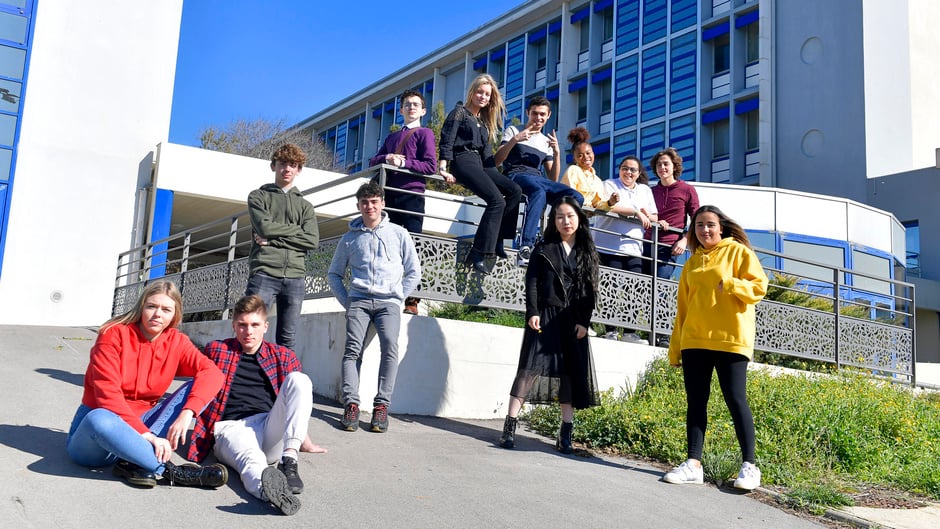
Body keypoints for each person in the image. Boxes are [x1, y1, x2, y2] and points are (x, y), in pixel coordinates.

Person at [66, 280, 228, 489]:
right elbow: (107, 396)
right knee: (99, 418)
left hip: (146, 424)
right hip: (100, 437)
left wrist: (188, 413)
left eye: (166, 309)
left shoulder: (176, 341)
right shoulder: (113, 334)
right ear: (141, 307)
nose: (158, 314)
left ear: (175, 314)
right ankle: (171, 471)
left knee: (196, 388)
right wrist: (147, 435)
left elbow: (212, 373)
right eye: (152, 306)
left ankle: (133, 461)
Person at [662, 205, 768, 491]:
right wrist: (676, 349)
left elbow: (760, 287)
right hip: (695, 340)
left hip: (731, 338)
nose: (705, 230)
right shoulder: (691, 263)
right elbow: (682, 309)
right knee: (696, 402)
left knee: (736, 400)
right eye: (699, 225)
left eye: (710, 224)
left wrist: (732, 284)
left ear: (721, 227)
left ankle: (749, 465)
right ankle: (693, 464)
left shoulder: (739, 252)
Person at [187, 295, 314, 516]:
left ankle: (290, 460)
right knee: (252, 460)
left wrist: (303, 440)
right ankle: (272, 493)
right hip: (232, 428)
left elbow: (295, 401)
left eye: (255, 325)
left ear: (265, 326)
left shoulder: (282, 356)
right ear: (234, 325)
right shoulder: (218, 350)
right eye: (243, 325)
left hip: (268, 426)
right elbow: (196, 385)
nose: (249, 331)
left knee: (300, 379)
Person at [498, 196, 599, 454]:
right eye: (560, 217)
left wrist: (584, 322)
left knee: (569, 375)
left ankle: (565, 434)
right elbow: (531, 282)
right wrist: (532, 311)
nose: (566, 221)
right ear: (554, 221)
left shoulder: (587, 250)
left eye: (570, 216)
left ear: (579, 218)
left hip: (573, 321)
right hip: (545, 316)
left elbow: (590, 288)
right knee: (529, 370)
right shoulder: (544, 248)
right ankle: (509, 427)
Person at [328, 182, 421, 433]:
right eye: (364, 203)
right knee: (352, 351)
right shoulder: (349, 239)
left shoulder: (399, 234)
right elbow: (334, 274)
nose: (369, 206)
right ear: (358, 206)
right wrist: (348, 301)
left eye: (373, 201)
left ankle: (381, 407)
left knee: (390, 347)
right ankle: (351, 405)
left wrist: (398, 296)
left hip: (388, 302)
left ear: (382, 203)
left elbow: (414, 270)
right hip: (358, 301)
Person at [438, 73, 523, 274]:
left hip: (482, 164)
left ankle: (499, 240)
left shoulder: (484, 123)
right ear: (472, 92)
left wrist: (498, 178)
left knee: (515, 190)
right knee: (497, 201)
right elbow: (447, 140)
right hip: (462, 161)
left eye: (487, 94)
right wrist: (443, 167)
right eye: (480, 92)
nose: (483, 97)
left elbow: (488, 159)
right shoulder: (459, 113)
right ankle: (479, 252)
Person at [369, 89, 438, 315]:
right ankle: (386, 295)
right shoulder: (391, 138)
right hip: (389, 196)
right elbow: (373, 160)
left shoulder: (425, 133)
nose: (411, 108)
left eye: (415, 104)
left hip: (412, 196)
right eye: (407, 104)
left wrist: (406, 163)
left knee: (413, 248)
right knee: (388, 249)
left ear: (423, 110)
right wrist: (387, 158)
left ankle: (412, 301)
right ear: (401, 110)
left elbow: (430, 166)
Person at [246, 143, 320, 350]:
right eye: (282, 164)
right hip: (264, 272)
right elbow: (264, 228)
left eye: (292, 165)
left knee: (288, 340)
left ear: (298, 170)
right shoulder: (258, 196)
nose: (287, 169)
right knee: (250, 331)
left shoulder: (305, 206)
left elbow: (312, 240)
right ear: (273, 166)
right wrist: (295, 231)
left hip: (295, 277)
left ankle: (284, 382)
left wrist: (272, 240)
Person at [494, 95, 582, 267]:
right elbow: (497, 161)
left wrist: (556, 153)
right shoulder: (513, 130)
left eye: (542, 114)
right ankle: (526, 245)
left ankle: (549, 240)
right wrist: (515, 139)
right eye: (535, 113)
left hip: (538, 178)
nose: (538, 118)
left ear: (548, 116)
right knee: (538, 191)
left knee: (575, 197)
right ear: (528, 113)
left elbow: (553, 178)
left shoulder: (545, 141)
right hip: (516, 174)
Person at [594, 155, 658, 344]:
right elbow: (611, 207)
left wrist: (647, 215)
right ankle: (610, 330)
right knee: (610, 289)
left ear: (638, 174)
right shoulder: (609, 185)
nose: (628, 172)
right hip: (608, 245)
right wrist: (637, 212)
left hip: (634, 247)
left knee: (635, 289)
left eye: (632, 170)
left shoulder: (645, 190)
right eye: (624, 168)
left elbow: (653, 215)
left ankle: (630, 331)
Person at [561, 127, 619, 212]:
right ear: (574, 159)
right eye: (580, 155)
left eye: (588, 153)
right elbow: (569, 194)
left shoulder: (597, 180)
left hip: (585, 218)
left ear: (593, 154)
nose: (585, 157)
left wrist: (610, 202)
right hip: (572, 213)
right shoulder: (573, 170)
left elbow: (597, 205)